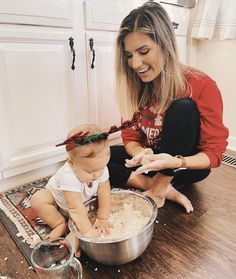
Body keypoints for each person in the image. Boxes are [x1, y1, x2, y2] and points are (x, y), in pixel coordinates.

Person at [108, 2, 229, 213]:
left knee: (182, 108)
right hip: (150, 164)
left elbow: (215, 154)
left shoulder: (200, 84)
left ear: (166, 45)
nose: (135, 64)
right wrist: (140, 153)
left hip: (182, 166)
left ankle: (161, 187)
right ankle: (157, 187)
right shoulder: (135, 86)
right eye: (129, 55)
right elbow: (130, 136)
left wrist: (174, 162)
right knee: (96, 158)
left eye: (143, 51)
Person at [30, 124, 111, 256]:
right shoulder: (68, 176)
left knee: (87, 222)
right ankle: (59, 223)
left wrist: (102, 217)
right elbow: (75, 208)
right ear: (72, 163)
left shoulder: (100, 169)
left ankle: (74, 234)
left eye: (101, 168)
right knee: (38, 200)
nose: (97, 174)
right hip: (60, 203)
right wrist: (88, 233)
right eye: (90, 171)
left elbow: (105, 192)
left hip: (84, 205)